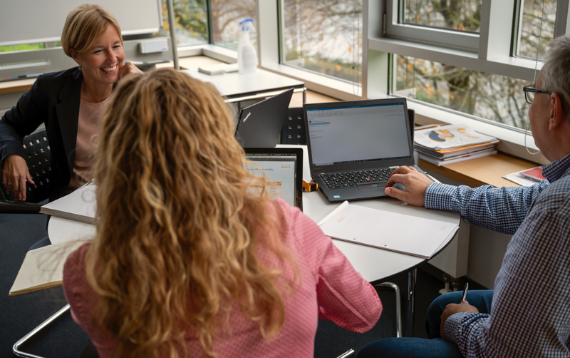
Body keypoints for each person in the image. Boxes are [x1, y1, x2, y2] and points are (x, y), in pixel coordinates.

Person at [62, 68, 382, 358]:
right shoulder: (286, 224)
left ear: (115, 157)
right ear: (220, 144)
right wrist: (300, 293)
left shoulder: (88, 270)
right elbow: (365, 314)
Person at [358, 35, 570, 358]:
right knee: (440, 305)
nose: (531, 107)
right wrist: (432, 192)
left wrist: (461, 322)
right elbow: (516, 205)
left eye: (533, 94)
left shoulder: (558, 210)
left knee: (376, 353)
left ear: (553, 110)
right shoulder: (558, 190)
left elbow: (504, 353)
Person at [0, 4, 141, 202]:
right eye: (99, 50)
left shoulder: (136, 87)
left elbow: (178, 135)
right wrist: (13, 154)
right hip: (75, 203)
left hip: (130, 197)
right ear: (76, 56)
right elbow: (7, 124)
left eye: (116, 46)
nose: (112, 59)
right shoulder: (50, 89)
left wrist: (149, 88)